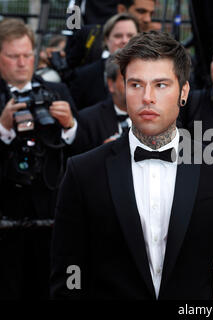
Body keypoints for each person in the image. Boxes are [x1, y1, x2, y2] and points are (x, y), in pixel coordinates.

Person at [50, 31, 213, 300]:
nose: (147, 97)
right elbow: (68, 275)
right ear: (124, 88)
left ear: (183, 92)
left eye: (160, 85)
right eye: (136, 84)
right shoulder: (83, 172)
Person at [0, 18, 78, 299]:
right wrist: (3, 129)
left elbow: (80, 152)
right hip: (6, 215)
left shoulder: (58, 92)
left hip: (50, 213)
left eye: (27, 55)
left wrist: (69, 126)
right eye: (13, 56)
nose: (22, 62)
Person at [69, 13, 139, 110]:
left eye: (130, 36)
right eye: (118, 36)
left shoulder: (152, 73)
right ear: (106, 40)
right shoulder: (84, 76)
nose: (124, 41)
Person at [64, 0, 157, 70]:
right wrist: (72, 35)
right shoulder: (88, 36)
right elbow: (73, 7)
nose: (148, 19)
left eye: (152, 14)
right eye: (141, 11)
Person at [71, 55, 129, 154]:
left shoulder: (157, 115)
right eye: (126, 79)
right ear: (111, 84)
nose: (135, 85)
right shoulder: (88, 119)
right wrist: (102, 154)